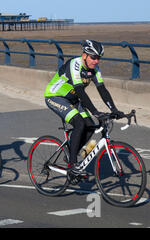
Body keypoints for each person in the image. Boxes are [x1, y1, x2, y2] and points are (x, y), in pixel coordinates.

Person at [44, 40, 124, 177]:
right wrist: (95, 112)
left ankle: (70, 154)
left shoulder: (94, 69)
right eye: (93, 57)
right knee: (79, 123)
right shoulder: (75, 64)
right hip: (55, 97)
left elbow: (102, 90)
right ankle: (73, 163)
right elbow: (80, 91)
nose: (96, 61)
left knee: (90, 126)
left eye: (99, 58)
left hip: (73, 100)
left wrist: (114, 110)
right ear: (85, 55)